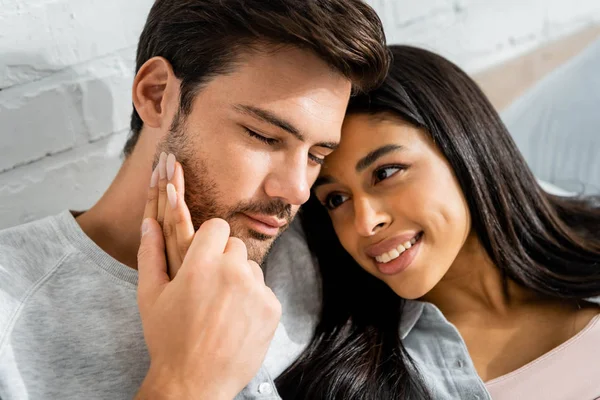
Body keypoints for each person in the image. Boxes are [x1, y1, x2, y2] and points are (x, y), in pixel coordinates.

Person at [0, 1, 390, 399]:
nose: (296, 191)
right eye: (263, 136)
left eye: (316, 156)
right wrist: (184, 382)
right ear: (157, 96)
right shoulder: (9, 310)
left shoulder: (324, 247)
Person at [275, 45, 600, 399]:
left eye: (385, 173)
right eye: (336, 199)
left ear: (465, 148)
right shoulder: (359, 383)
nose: (365, 223)